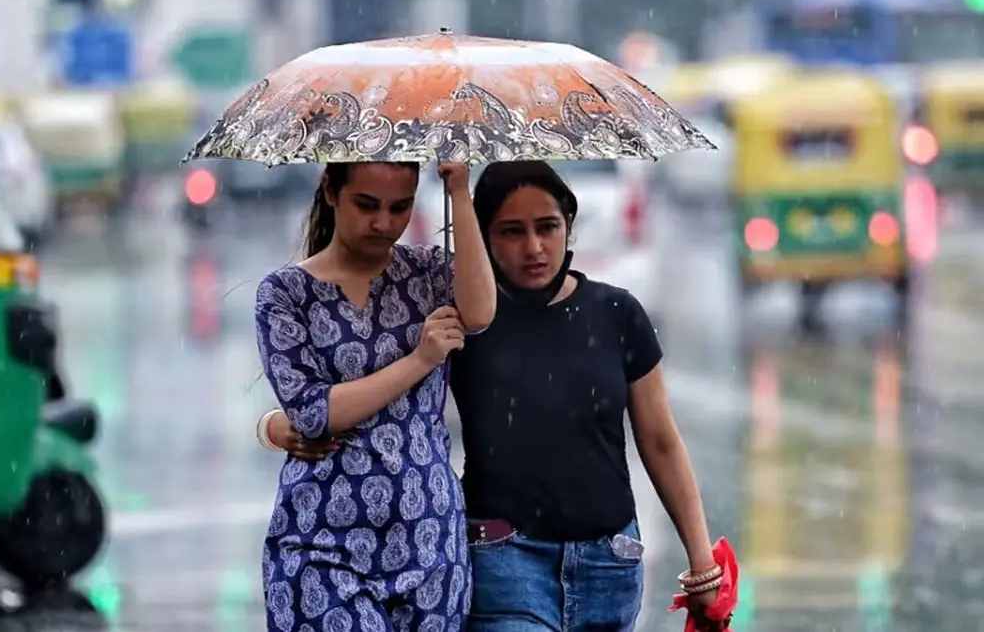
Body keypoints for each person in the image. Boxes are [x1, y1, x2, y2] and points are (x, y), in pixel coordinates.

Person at [263, 161, 724, 632]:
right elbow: (363, 384)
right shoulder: (457, 316)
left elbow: (661, 440)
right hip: (503, 560)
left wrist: (702, 562)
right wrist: (280, 425)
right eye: (510, 232)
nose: (534, 247)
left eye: (547, 227)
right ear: (482, 237)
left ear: (569, 225)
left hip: (607, 563)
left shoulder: (615, 312)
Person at [253, 161, 496, 632]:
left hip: (430, 538)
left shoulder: (427, 272)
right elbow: (313, 412)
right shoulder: (284, 293)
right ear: (330, 191)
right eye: (366, 205)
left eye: (399, 207)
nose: (384, 223)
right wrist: (420, 360)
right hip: (322, 544)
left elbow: (482, 311)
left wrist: (460, 193)